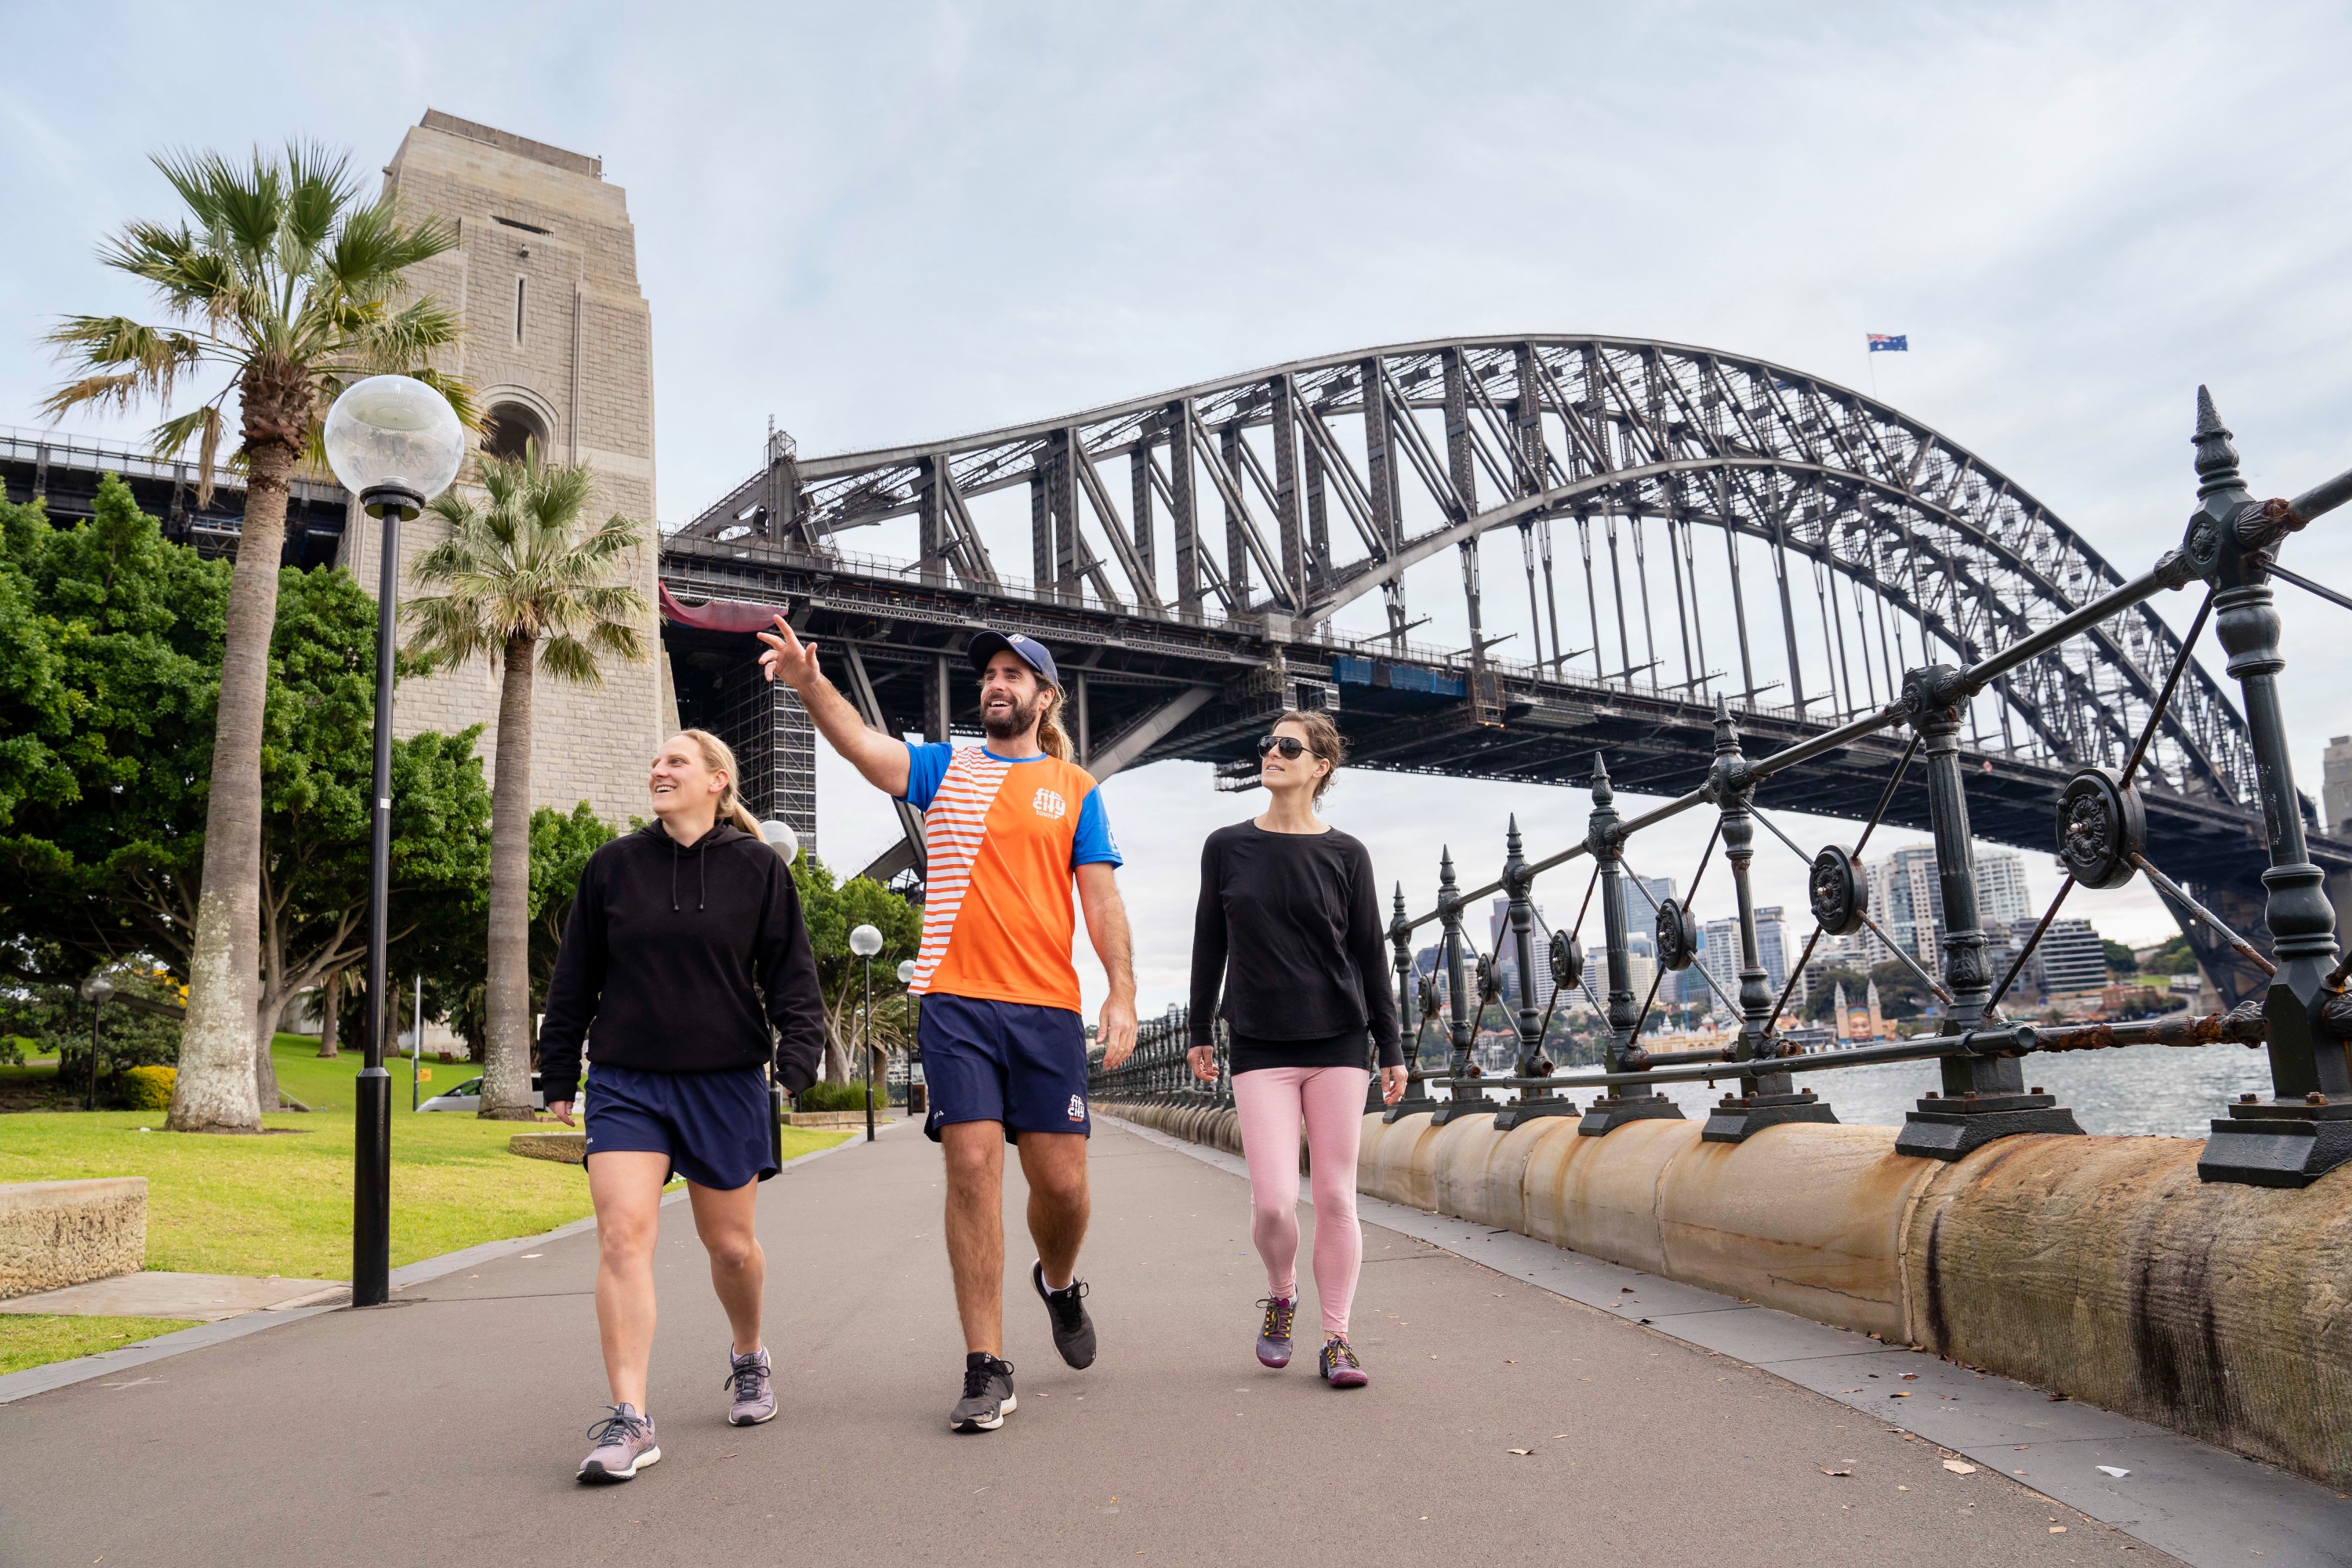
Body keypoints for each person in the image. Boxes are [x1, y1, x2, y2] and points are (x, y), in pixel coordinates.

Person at [757, 619, 1137, 1433]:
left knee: (1063, 1185)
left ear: (1044, 696)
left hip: (1045, 1008)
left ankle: (1059, 1282)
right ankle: (985, 1363)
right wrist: (808, 680)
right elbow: (864, 746)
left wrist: (1122, 993)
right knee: (971, 1166)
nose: (995, 684)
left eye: (1013, 673)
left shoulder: (1075, 789)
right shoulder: (945, 767)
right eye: (988, 674)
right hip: (956, 998)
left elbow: (1101, 900)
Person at [535, 730, 826, 1483]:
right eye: (656, 761)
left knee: (730, 1248)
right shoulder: (612, 868)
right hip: (629, 1081)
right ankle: (631, 1418)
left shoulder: (760, 869)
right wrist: (559, 1074)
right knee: (622, 1237)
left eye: (676, 762)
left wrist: (794, 1063)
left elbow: (793, 976)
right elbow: (575, 980)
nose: (658, 770)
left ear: (716, 782)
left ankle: (749, 1353)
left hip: (724, 1081)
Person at [1187, 710, 1405, 1388]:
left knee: (1337, 1198)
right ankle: (1282, 1296)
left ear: (1320, 768)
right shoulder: (1226, 846)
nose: (1271, 753)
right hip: (1259, 1042)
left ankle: (1337, 1340)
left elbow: (1371, 954)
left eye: (1289, 747)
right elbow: (1208, 946)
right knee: (1276, 1202)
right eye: (1268, 744)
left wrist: (1391, 1044)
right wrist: (1199, 1030)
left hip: (1340, 1039)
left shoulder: (1348, 855)